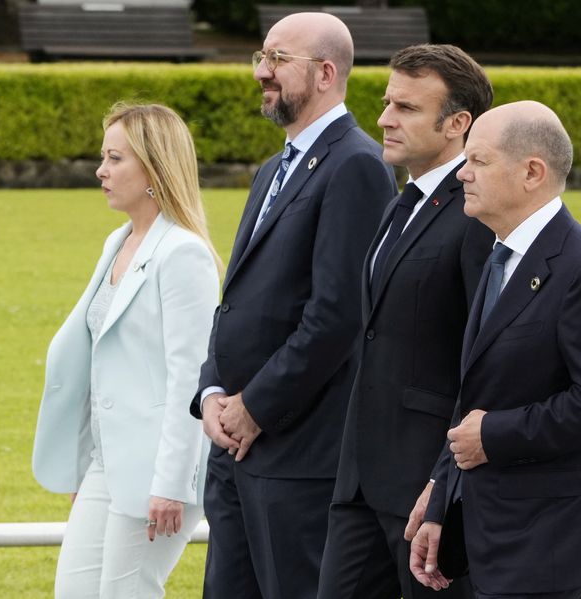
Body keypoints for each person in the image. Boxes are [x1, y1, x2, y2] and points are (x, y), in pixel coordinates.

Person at [409, 100, 581, 599]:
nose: (462, 173)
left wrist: (497, 433)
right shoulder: (498, 257)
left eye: (478, 161)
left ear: (532, 172)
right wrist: (441, 504)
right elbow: (475, 396)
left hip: (548, 540)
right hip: (494, 533)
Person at [189, 12, 398, 599]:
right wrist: (211, 393)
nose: (261, 71)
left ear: (326, 73)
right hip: (235, 449)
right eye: (261, 56)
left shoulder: (356, 165)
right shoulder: (272, 170)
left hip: (299, 456)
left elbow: (337, 315)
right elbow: (238, 302)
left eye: (277, 60)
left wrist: (254, 407)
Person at [317, 43, 494, 599]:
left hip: (426, 483)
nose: (384, 119)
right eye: (388, 102)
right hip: (360, 479)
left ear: (457, 124)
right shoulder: (403, 201)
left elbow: (484, 359)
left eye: (407, 108)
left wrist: (444, 484)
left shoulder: (477, 212)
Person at [32, 102, 220, 599]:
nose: (101, 170)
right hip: (106, 462)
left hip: (160, 469)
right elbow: (98, 363)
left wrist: (171, 484)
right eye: (103, 157)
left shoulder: (183, 254)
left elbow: (191, 379)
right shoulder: (117, 241)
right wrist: (83, 463)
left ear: (154, 166)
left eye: (115, 158)